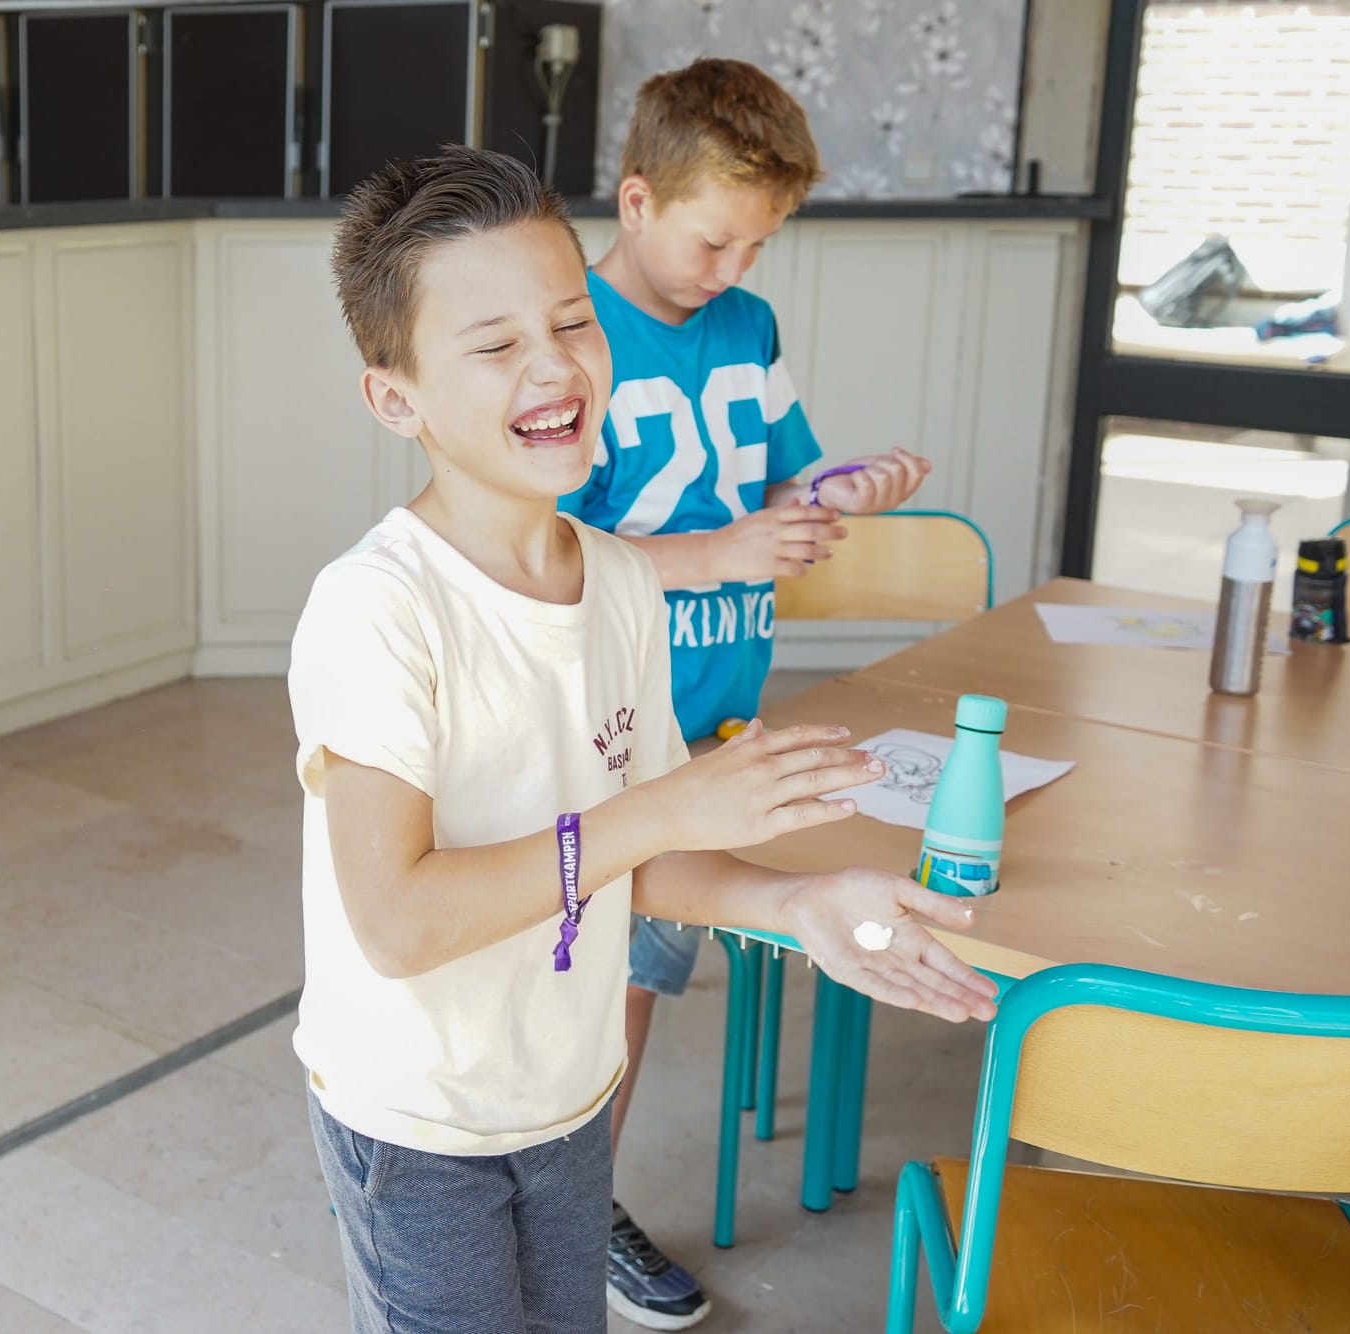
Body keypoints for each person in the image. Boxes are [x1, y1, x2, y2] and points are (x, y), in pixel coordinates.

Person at [288, 144, 998, 1334]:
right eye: (493, 344)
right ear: (396, 397)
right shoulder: (377, 609)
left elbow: (647, 859)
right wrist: (661, 808)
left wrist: (795, 903)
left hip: (570, 1096)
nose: (554, 363)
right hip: (418, 1126)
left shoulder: (618, 581)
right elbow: (399, 922)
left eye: (571, 319)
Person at [558, 58, 935, 1327]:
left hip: (715, 715)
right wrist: (718, 552)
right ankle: (564, 1212)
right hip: (607, 725)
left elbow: (779, 479)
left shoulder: (747, 325)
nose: (732, 269)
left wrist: (836, 489)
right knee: (602, 985)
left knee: (634, 981)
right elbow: (548, 551)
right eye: (713, 241)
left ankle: (568, 1196)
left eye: (757, 245)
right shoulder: (571, 337)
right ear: (635, 199)